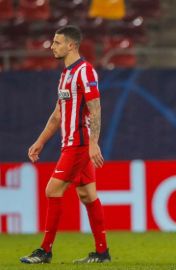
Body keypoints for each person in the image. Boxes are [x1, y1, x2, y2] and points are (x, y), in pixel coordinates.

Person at [20, 25, 110, 264]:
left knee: (52, 190)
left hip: (79, 144)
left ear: (72, 45)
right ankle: (102, 252)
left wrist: (93, 144)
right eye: (53, 42)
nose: (52, 46)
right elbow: (58, 114)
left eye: (57, 42)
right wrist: (40, 141)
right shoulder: (65, 75)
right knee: (88, 194)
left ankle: (45, 251)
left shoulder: (85, 71)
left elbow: (95, 108)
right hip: (70, 143)